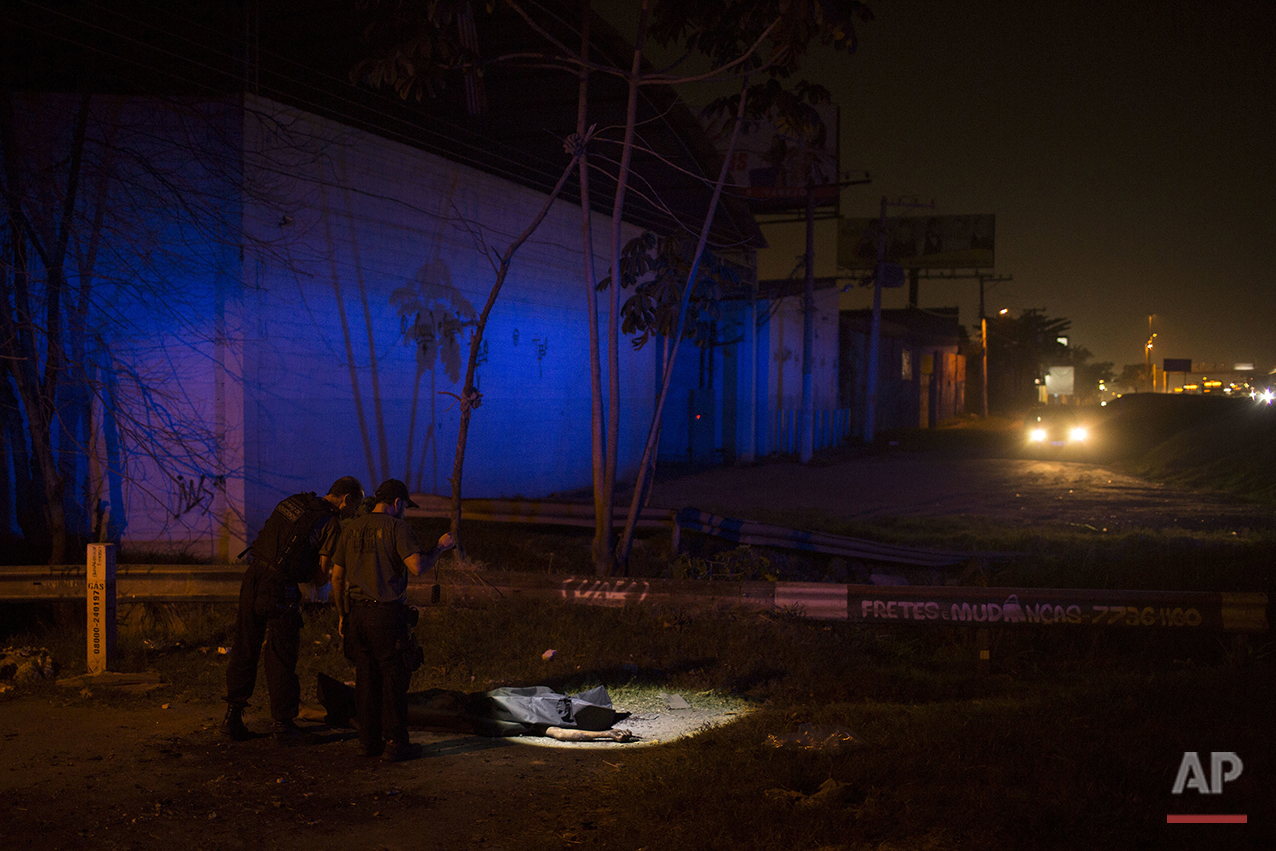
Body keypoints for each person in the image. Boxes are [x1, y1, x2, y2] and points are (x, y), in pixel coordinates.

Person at [222, 476, 365, 744]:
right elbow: (321, 575)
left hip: (253, 576)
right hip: (280, 588)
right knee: (281, 654)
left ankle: (232, 716)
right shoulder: (330, 523)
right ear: (346, 499)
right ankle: (283, 724)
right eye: (355, 507)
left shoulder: (294, 502)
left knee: (245, 645)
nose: (353, 513)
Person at [330, 478, 454, 762]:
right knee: (393, 680)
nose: (405, 512)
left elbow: (336, 577)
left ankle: (368, 742)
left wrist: (342, 614)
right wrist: (439, 548)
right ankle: (396, 742)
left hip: (357, 614)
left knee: (365, 679)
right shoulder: (398, 528)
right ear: (397, 503)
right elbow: (418, 566)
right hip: (386, 615)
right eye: (405, 507)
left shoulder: (350, 529)